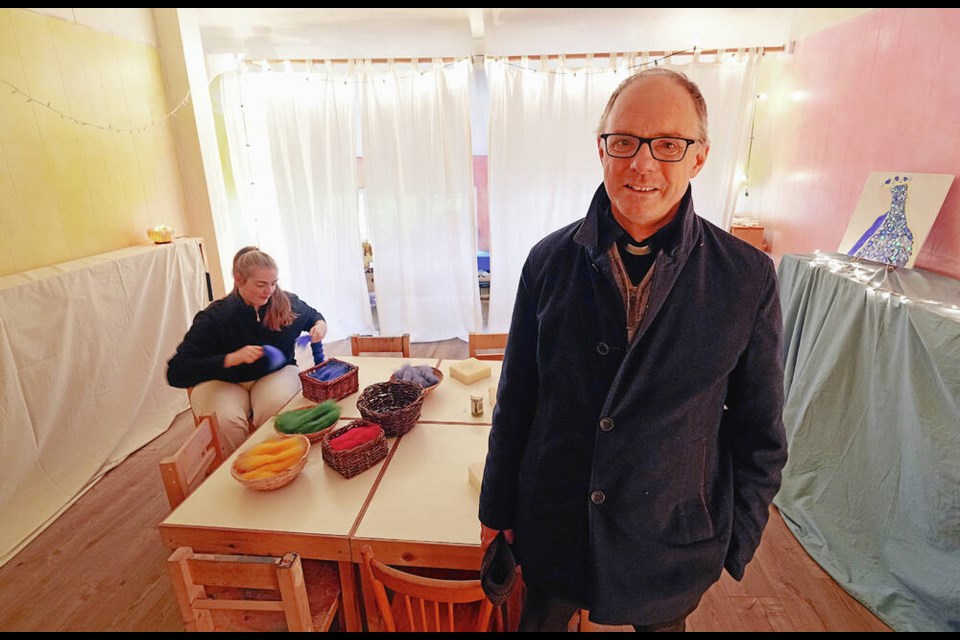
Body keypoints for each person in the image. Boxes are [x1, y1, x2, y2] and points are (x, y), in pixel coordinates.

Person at [478, 68, 788, 632]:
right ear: (602, 149)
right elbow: (516, 400)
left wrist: (732, 541)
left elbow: (759, 432)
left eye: (668, 144)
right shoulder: (546, 262)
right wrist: (496, 511)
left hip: (672, 544)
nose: (642, 163)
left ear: (699, 157)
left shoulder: (746, 277)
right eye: (624, 142)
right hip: (554, 525)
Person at [166, 246, 327, 455]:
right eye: (261, 284)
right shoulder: (215, 317)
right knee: (225, 422)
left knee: (277, 410)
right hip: (223, 380)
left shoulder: (287, 302)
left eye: (273, 283)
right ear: (238, 280)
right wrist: (229, 359)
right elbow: (176, 372)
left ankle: (282, 462)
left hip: (274, 374)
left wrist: (320, 327)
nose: (269, 291)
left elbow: (314, 316)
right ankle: (238, 469)